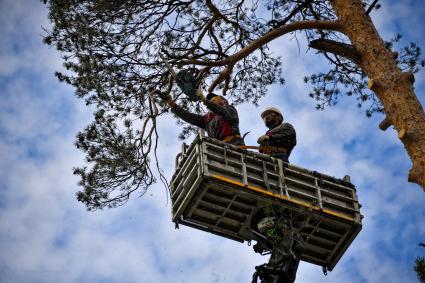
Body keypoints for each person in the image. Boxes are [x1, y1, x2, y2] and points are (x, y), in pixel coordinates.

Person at [159, 91, 245, 146]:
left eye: (215, 99)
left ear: (224, 100)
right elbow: (189, 117)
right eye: (211, 101)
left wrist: (205, 100)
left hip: (235, 145)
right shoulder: (208, 119)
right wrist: (172, 104)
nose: (212, 101)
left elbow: (223, 112)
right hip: (219, 150)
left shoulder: (230, 109)